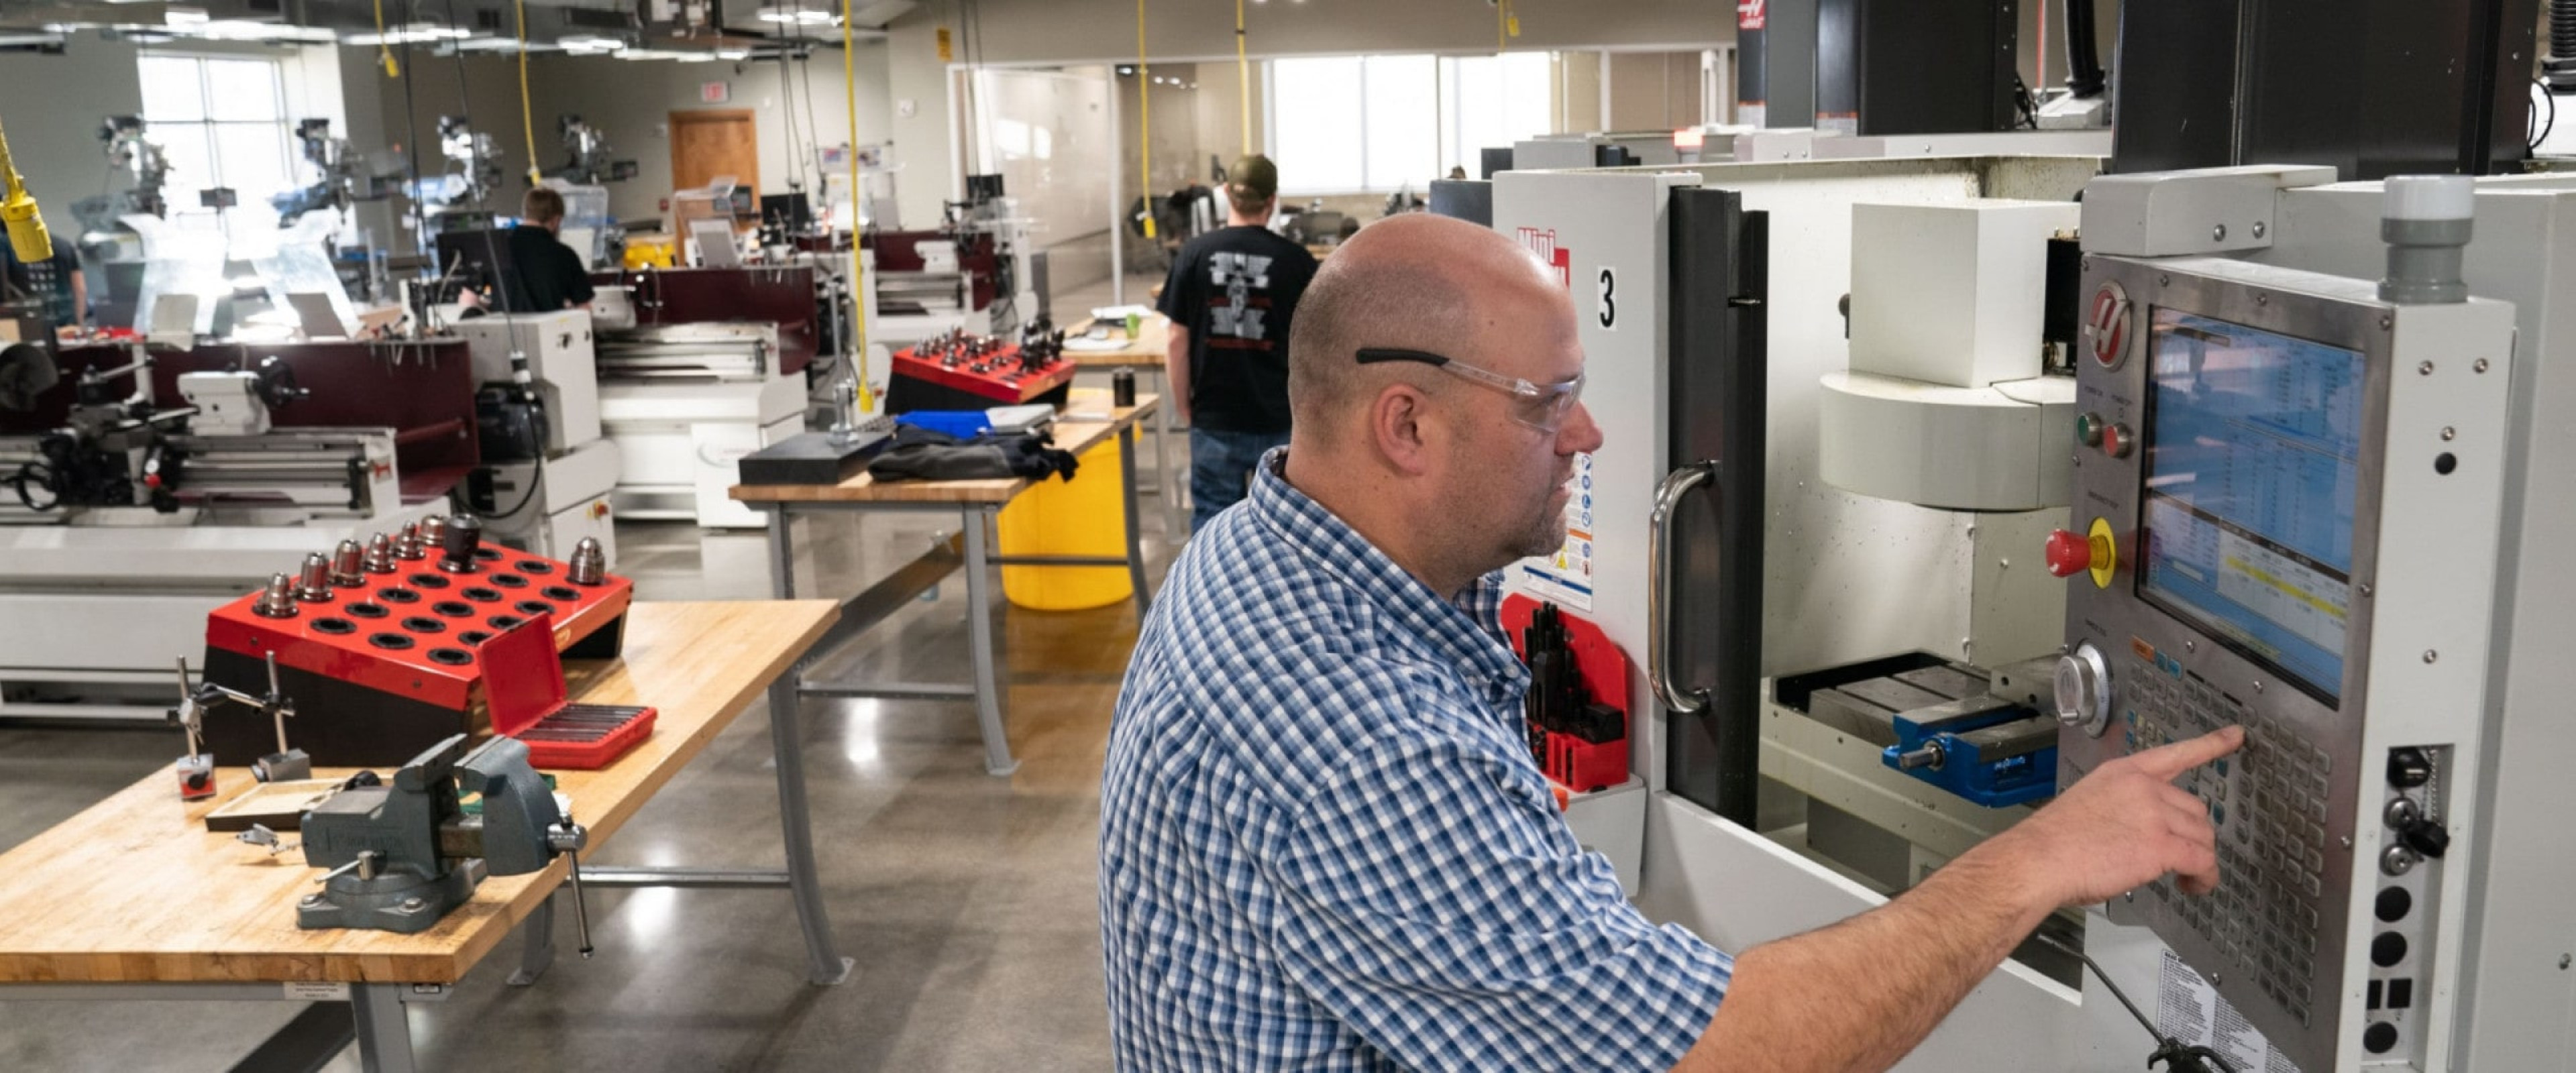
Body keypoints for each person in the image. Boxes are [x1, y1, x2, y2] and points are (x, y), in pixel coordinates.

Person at [1099, 213, 2241, 1072]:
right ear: (1408, 426)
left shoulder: (1256, 548)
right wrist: (2042, 857)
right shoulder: (1361, 738)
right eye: (1549, 405)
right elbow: (1711, 1055)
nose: (1590, 436)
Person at [1156, 154, 1320, 533]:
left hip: (1215, 417)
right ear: (1272, 200)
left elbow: (1176, 340)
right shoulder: (1296, 262)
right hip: (1280, 421)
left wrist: (1184, 406)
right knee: (1284, 534)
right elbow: (1316, 349)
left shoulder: (1194, 255)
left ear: (1227, 193)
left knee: (1213, 531)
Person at [502, 186, 595, 313]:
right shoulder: (565, 255)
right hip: (550, 332)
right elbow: (584, 309)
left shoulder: (497, 249)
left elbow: (470, 300)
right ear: (556, 220)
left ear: (526, 214)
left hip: (501, 332)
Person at [0, 220, 87, 334]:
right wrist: (79, 324)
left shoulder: (5, 245)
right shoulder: (64, 245)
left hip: (29, 326)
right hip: (67, 324)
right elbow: (80, 289)